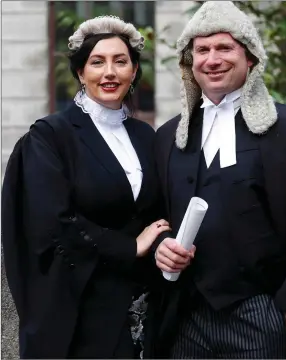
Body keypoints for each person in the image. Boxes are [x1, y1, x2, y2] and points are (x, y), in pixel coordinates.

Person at [153, 1, 286, 359]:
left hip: (263, 314)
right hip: (187, 317)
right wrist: (162, 248)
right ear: (190, 63)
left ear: (250, 58)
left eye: (224, 47)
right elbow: (153, 218)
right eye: (202, 50)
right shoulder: (169, 137)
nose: (212, 59)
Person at [1, 15, 170, 359]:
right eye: (97, 62)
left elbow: (156, 212)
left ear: (134, 71)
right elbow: (51, 223)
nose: (110, 72)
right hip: (78, 309)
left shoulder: (145, 136)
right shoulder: (50, 136)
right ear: (80, 72)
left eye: (120, 62)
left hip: (141, 308)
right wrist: (127, 247)